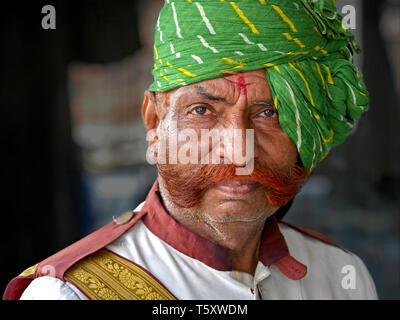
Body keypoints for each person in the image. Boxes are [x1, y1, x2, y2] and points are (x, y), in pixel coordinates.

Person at [3, 0, 378, 300]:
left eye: (269, 113)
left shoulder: (341, 277)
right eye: (203, 111)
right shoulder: (69, 294)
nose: (237, 151)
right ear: (154, 121)